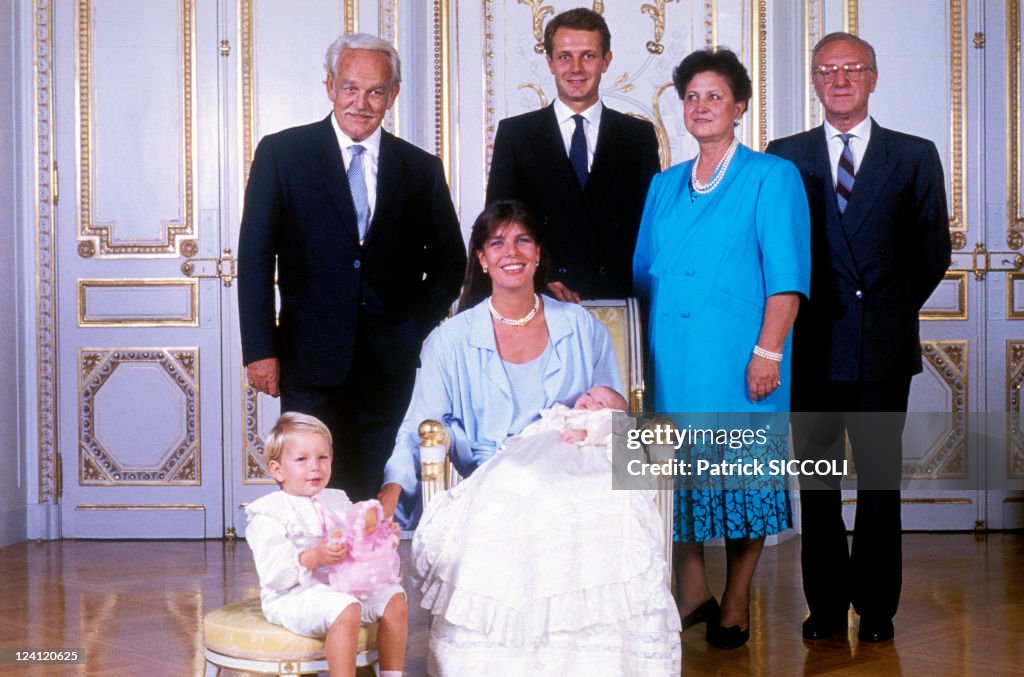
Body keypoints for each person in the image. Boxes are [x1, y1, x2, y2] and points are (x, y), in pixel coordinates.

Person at [379, 201, 681, 674]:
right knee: (525, 494)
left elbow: (613, 411)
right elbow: (419, 426)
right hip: (498, 471)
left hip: (576, 463)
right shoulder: (451, 339)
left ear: (539, 253)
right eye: (497, 242)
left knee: (609, 506)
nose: (511, 252)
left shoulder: (581, 327)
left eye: (522, 240)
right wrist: (391, 497)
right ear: (481, 258)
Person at [766, 32, 951, 643]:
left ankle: (876, 611)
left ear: (873, 78)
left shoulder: (915, 154)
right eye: (827, 70)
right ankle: (823, 609)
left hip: (879, 352)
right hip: (811, 350)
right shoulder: (784, 154)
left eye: (852, 69)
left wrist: (882, 317)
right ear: (814, 82)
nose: (840, 79)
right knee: (817, 488)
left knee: (877, 486)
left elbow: (932, 252)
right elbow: (775, 252)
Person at [237, 33, 466, 502]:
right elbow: (256, 257)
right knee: (312, 487)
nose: (361, 103)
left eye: (375, 91)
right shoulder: (283, 155)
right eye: (350, 88)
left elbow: (451, 260)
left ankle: (372, 575)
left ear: (393, 95)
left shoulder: (420, 168)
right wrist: (259, 348)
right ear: (329, 87)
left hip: (389, 364)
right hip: (308, 359)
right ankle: (317, 574)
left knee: (377, 487)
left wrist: (410, 326)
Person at [633, 47, 811, 649]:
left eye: (715, 96)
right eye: (692, 97)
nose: (702, 106)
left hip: (739, 362)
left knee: (744, 484)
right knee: (674, 481)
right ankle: (693, 592)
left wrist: (769, 353)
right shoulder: (662, 185)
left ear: (739, 106)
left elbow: (786, 276)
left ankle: (735, 600)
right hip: (671, 362)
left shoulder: (771, 176)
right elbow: (643, 275)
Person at [485, 7, 660, 302]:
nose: (576, 68)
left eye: (588, 56)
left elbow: (651, 229)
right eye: (565, 56)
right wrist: (540, 283)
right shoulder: (516, 134)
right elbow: (500, 229)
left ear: (606, 61)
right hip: (542, 299)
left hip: (618, 300)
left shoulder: (637, 136)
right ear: (550, 62)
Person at [245, 412, 407, 677]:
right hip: (292, 595)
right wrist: (315, 557)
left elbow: (356, 542)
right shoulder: (270, 512)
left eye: (323, 457)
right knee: (345, 608)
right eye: (301, 459)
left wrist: (378, 538)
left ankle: (392, 675)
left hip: (340, 585)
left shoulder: (336, 499)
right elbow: (273, 575)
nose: (315, 467)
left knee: (395, 598)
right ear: (277, 469)